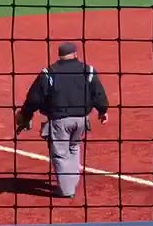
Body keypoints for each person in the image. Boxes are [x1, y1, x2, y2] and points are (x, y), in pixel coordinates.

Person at [14, 42, 110, 199]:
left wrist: (26, 114)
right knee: (73, 148)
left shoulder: (49, 73)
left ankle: (67, 190)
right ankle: (71, 182)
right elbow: (98, 93)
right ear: (76, 54)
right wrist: (102, 111)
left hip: (60, 121)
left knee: (60, 153)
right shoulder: (88, 70)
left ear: (59, 55)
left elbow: (34, 98)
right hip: (81, 120)